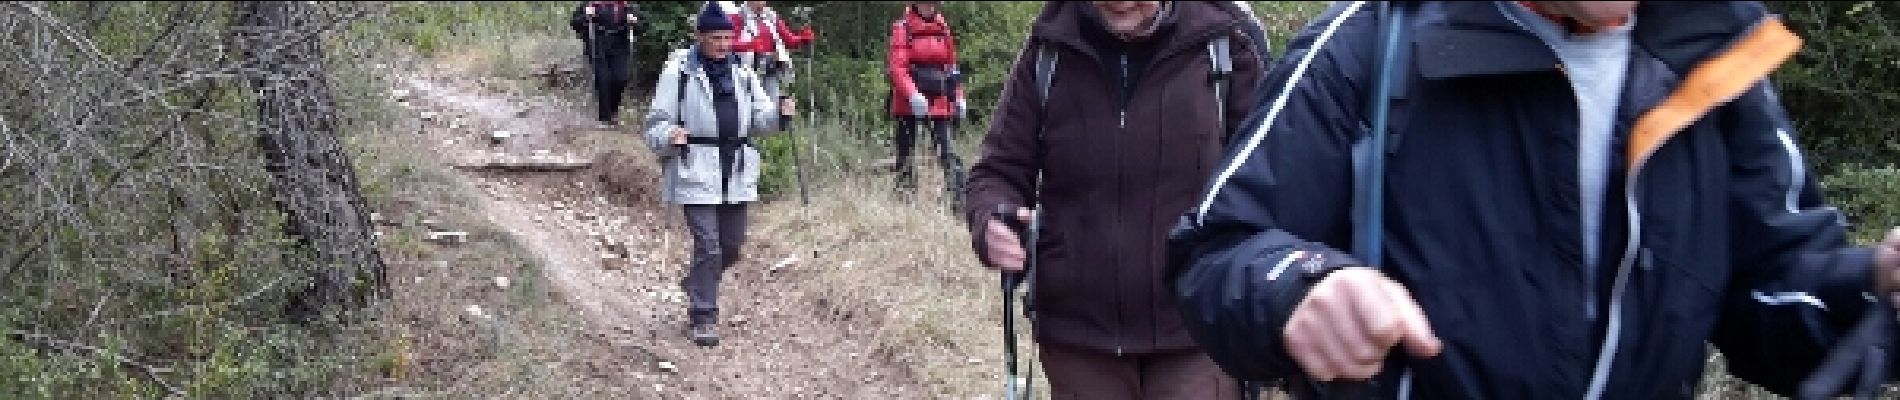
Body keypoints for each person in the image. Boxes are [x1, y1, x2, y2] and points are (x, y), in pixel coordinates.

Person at [1169, 1, 1900, 399]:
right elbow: (1216, 249)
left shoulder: (1721, 61)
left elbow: (1773, 299)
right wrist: (1301, 286)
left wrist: (1876, 292)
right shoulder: (1366, 45)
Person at [963, 1, 1267, 398]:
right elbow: (998, 171)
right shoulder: (1049, 50)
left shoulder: (1227, 44)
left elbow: (1266, 177)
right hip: (1078, 337)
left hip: (1196, 329)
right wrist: (991, 224)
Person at [642, 2, 792, 347]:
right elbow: (654, 126)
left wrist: (780, 114)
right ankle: (703, 316)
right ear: (700, 37)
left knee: (732, 247)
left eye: (727, 37)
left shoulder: (742, 73)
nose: (723, 44)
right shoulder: (678, 73)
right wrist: (668, 136)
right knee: (708, 246)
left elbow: (760, 118)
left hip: (736, 170)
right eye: (716, 38)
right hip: (694, 167)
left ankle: (697, 284)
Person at [887, 0, 967, 196]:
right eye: (926, 3)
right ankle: (905, 198)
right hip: (908, 102)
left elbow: (951, 68)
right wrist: (913, 94)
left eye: (933, 3)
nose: (930, 6)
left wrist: (958, 96)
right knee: (906, 153)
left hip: (939, 99)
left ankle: (958, 200)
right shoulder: (903, 28)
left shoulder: (942, 27)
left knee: (947, 151)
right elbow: (897, 68)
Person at [570, 0, 645, 129]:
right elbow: (575, 23)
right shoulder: (591, 3)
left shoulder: (627, 5)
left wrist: (634, 21)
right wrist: (586, 16)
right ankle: (605, 118)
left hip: (620, 45)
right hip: (597, 45)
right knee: (603, 79)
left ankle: (613, 111)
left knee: (620, 79)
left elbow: (642, 27)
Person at [732, 1, 816, 110]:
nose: (762, 4)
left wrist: (803, 38)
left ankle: (773, 126)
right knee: (748, 107)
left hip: (769, 69)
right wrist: (748, 45)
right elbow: (728, 44)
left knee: (772, 106)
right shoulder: (738, 16)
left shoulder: (771, 16)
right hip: (745, 71)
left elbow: (789, 40)